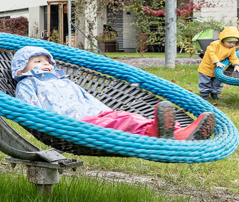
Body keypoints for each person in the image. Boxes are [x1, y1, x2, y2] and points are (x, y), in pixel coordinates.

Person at [12, 46, 215, 140]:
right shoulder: (28, 84)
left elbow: (86, 97)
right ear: (21, 70)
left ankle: (176, 130)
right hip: (71, 124)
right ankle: (166, 132)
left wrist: (105, 111)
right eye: (37, 62)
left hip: (95, 115)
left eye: (47, 62)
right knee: (124, 122)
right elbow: (27, 107)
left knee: (127, 116)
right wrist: (47, 124)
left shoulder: (63, 80)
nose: (45, 65)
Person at [198, 27, 239, 101]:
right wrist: (217, 62)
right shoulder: (214, 45)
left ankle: (215, 93)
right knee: (205, 81)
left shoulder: (232, 48)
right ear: (223, 40)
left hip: (219, 68)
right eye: (229, 42)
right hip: (207, 67)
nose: (232, 45)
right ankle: (205, 94)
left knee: (217, 81)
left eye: (234, 43)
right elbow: (211, 53)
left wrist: (236, 65)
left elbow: (233, 57)